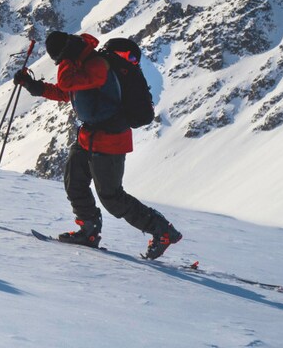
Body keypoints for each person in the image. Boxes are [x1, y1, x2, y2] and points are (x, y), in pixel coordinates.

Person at [16, 30, 182, 259]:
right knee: (74, 181)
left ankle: (162, 230)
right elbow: (67, 92)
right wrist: (33, 85)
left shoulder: (98, 65)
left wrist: (65, 59)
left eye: (59, 59)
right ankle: (88, 231)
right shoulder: (83, 62)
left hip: (110, 140)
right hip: (90, 136)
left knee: (112, 197)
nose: (59, 63)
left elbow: (67, 82)